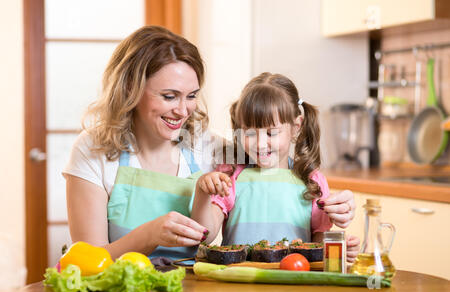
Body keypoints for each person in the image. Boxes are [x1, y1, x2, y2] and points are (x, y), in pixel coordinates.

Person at [63, 26, 217, 262]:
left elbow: (271, 151)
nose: (183, 110)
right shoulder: (92, 149)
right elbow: (87, 260)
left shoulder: (207, 145)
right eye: (169, 96)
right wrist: (150, 235)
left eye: (192, 96)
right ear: (130, 88)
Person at [191, 72, 359, 262]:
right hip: (238, 285)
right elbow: (207, 233)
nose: (260, 144)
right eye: (250, 133)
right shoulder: (230, 175)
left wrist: (339, 250)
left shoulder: (311, 181)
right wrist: (202, 191)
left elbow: (318, 247)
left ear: (296, 127)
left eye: (271, 133)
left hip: (292, 284)